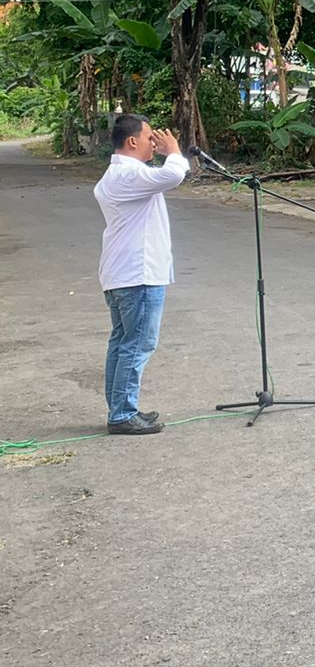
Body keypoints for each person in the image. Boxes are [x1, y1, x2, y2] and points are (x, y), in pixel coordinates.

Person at [93, 113, 189, 435]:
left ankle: (122, 407)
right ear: (132, 141)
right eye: (150, 138)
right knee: (136, 344)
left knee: (122, 343)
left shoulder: (119, 175)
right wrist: (173, 150)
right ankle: (122, 413)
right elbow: (174, 175)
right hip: (139, 275)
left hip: (122, 274)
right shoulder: (130, 174)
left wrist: (165, 154)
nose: (155, 144)